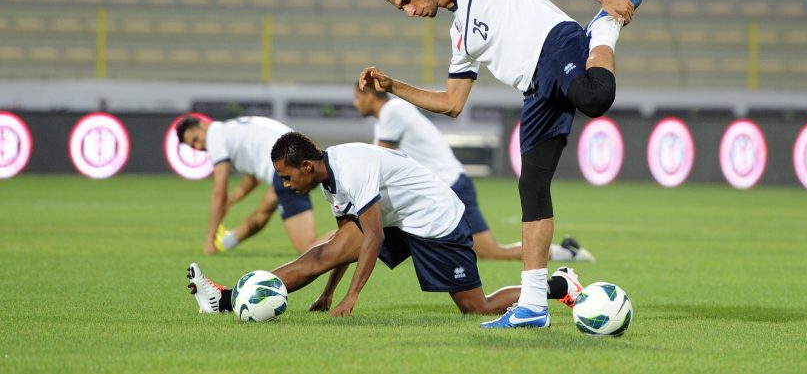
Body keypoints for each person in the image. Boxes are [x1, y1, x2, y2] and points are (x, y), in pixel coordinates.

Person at [358, 0, 642, 328]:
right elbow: (452, 103)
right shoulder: (459, 35)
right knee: (532, 188)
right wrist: (393, 86)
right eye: (402, 9)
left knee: (595, 97)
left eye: (407, 0)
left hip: (555, 43)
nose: (410, 12)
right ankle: (533, 306)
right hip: (534, 87)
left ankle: (602, 28)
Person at [187, 131, 584, 327]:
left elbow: (372, 237)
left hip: (435, 221)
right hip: (398, 217)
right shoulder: (328, 179)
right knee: (320, 255)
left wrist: (351, 297)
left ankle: (558, 287)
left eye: (288, 178)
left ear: (306, 166)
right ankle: (222, 299)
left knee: (474, 307)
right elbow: (342, 242)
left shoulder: (351, 168)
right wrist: (328, 291)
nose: (286, 186)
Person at [352, 85, 595, 262]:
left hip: (450, 186)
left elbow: (378, 162)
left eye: (357, 97)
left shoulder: (392, 111)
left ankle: (566, 253)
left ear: (369, 95)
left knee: (489, 251)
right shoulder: (391, 113)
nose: (355, 104)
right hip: (437, 189)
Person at [177, 116, 327, 255]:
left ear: (203, 125)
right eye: (193, 146)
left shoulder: (214, 136)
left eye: (196, 139)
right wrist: (229, 202)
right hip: (302, 158)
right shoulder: (231, 130)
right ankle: (227, 242)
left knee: (308, 249)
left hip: (288, 170)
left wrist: (209, 239)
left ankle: (348, 238)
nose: (199, 146)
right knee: (264, 209)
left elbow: (219, 193)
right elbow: (253, 179)